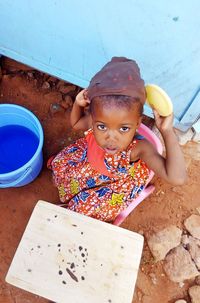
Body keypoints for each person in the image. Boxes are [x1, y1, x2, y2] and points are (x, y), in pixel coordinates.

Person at [48, 57, 187, 222]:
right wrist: (78, 104)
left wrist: (167, 131)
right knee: (60, 167)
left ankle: (74, 204)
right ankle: (70, 192)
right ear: (94, 117)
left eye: (124, 129)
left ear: (137, 124)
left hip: (114, 183)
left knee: (81, 209)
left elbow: (177, 178)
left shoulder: (139, 148)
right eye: (102, 127)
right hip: (90, 164)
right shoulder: (95, 119)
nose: (111, 138)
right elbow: (77, 123)